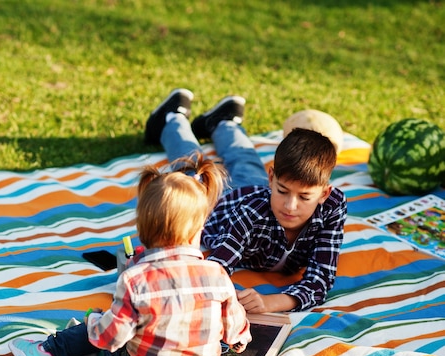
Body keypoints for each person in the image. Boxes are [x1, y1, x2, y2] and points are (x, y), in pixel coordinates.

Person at [9, 155, 252, 356]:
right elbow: (235, 327)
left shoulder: (136, 279)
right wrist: (240, 339)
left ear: (144, 228)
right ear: (197, 230)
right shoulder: (216, 273)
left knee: (103, 326)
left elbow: (111, 337)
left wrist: (94, 322)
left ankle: (46, 351)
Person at [144, 88, 347, 313]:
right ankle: (172, 118)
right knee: (192, 167)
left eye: (304, 197)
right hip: (224, 200)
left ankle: (224, 122)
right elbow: (216, 268)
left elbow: (320, 280)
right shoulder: (250, 212)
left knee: (245, 159)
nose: (290, 206)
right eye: (282, 191)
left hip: (256, 189)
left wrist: (271, 302)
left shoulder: (333, 206)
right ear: (271, 178)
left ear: (324, 194)